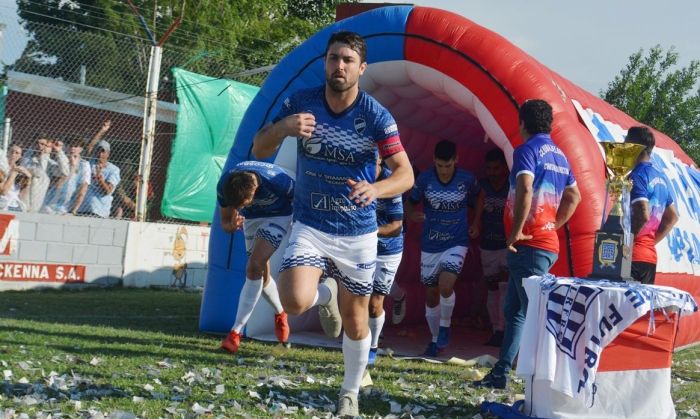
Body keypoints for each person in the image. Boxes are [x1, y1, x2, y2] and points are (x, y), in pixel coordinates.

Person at [252, 31, 413, 417]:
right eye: (332, 58)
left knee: (357, 323)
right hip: (310, 224)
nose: (338, 66)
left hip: (357, 233)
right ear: (324, 62)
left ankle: (349, 393)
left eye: (346, 60)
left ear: (361, 68)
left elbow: (405, 174)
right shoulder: (300, 103)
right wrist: (283, 128)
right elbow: (259, 149)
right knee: (292, 301)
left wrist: (376, 189)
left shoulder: (375, 115)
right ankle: (327, 294)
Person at [475, 99, 581, 389]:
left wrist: (518, 230)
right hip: (544, 243)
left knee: (533, 312)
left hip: (529, 245)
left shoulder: (526, 150)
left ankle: (548, 377)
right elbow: (575, 197)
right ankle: (502, 371)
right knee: (515, 311)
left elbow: (524, 187)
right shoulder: (560, 156)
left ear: (522, 124)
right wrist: (553, 225)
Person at [406, 139, 480, 357]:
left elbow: (480, 197)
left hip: (456, 241)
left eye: (448, 166)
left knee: (446, 285)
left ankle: (446, 325)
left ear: (456, 160)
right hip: (430, 243)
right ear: (434, 162)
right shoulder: (425, 179)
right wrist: (411, 214)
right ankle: (435, 339)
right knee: (431, 295)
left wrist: (475, 222)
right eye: (440, 166)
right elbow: (410, 202)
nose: (444, 171)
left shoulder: (466, 179)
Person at [217, 160, 294, 353]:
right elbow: (225, 223)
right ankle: (280, 313)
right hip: (252, 219)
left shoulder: (278, 181)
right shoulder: (225, 185)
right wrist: (232, 225)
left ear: (255, 189)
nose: (240, 207)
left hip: (279, 215)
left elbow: (304, 203)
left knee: (254, 266)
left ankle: (235, 333)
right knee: (262, 274)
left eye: (244, 204)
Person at [626, 126, 679, 284]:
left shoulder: (637, 175)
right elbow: (673, 217)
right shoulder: (660, 177)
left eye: (626, 142)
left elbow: (643, 213)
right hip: (648, 258)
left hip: (632, 257)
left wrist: (627, 245)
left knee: (621, 307)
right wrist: (649, 243)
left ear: (635, 146)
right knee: (639, 309)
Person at [471, 148, 510, 346]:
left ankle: (504, 330)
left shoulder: (512, 184)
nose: (492, 172)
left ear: (504, 168)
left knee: (504, 286)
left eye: (496, 168)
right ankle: (496, 329)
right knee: (492, 288)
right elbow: (475, 209)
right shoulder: (483, 186)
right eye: (489, 168)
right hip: (488, 244)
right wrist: (475, 224)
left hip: (507, 244)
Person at [368, 159, 404, 366]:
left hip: (388, 248)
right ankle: (362, 342)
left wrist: (369, 231)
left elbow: (396, 226)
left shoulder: (391, 182)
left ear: (380, 160)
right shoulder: (356, 176)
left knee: (374, 303)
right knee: (359, 296)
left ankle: (373, 347)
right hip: (363, 245)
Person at [42, 138, 91, 215]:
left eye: (75, 146)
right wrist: (71, 166)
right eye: (70, 145)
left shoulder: (84, 165)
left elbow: (83, 189)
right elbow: (57, 184)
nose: (72, 148)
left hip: (66, 208)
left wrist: (74, 210)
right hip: (49, 204)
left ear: (81, 149)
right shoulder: (61, 161)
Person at [21, 136, 69, 212]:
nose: (39, 146)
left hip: (39, 201)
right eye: (38, 143)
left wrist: (59, 152)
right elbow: (25, 169)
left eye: (43, 144)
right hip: (23, 198)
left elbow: (65, 171)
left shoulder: (50, 164)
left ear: (49, 148)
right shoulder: (27, 159)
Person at [77, 139, 120, 218]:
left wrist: (100, 178)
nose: (100, 154)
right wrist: (102, 130)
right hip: (82, 209)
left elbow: (108, 191)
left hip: (99, 212)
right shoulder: (90, 163)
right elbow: (89, 147)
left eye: (103, 152)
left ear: (108, 154)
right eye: (99, 151)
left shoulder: (114, 170)